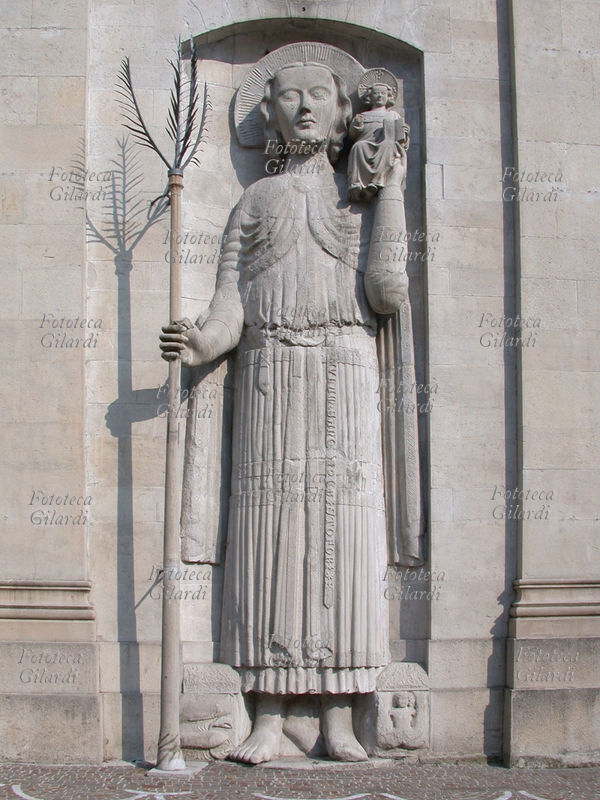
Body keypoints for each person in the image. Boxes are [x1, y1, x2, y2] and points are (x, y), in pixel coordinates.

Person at [160, 59, 408, 764]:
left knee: (343, 546)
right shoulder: (255, 201)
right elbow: (228, 308)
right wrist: (198, 340)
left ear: (340, 115)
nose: (303, 108)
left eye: (319, 96)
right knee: (272, 541)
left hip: (345, 375)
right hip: (271, 376)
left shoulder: (359, 200)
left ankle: (336, 713)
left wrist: (389, 185)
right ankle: (267, 712)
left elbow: (388, 293)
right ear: (268, 115)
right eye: (288, 97)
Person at [347, 77, 408, 202]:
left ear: (388, 96)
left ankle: (378, 180)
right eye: (376, 93)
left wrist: (404, 133)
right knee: (358, 146)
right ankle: (357, 184)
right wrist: (357, 125)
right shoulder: (363, 116)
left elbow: (402, 140)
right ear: (370, 97)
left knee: (388, 145)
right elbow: (352, 135)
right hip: (366, 144)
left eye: (383, 93)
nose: (379, 96)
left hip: (386, 146)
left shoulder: (393, 115)